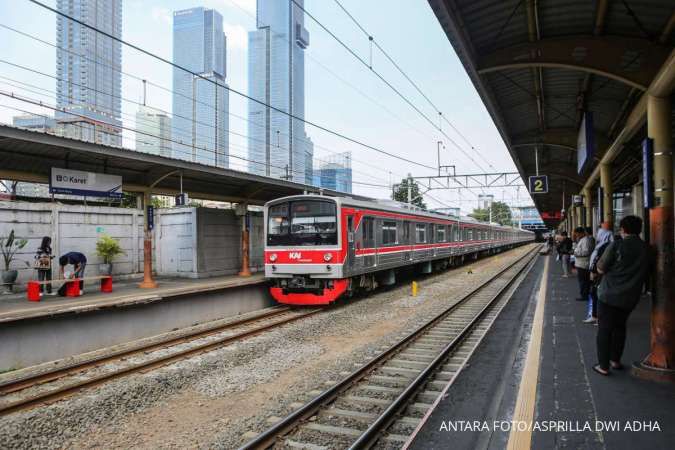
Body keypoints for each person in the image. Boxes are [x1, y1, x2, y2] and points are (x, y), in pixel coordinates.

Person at [593, 215, 650, 376]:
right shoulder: (646, 248)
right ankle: (615, 361)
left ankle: (603, 366)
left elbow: (601, 268)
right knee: (620, 327)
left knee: (604, 330)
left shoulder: (617, 245)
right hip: (630, 297)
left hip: (609, 295)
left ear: (623, 229)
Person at [585, 226, 613, 323]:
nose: (597, 236)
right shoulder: (602, 245)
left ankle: (598, 317)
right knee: (594, 294)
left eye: (599, 234)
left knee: (597, 295)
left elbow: (600, 261)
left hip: (600, 275)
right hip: (599, 273)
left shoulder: (605, 247)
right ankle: (595, 315)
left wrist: (594, 271)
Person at [573, 227, 594, 302]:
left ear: (581, 233)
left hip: (583, 264)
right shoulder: (583, 239)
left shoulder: (585, 240)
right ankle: (585, 294)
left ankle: (584, 295)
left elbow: (586, 252)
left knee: (583, 281)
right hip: (581, 264)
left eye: (577, 234)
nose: (576, 235)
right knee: (584, 281)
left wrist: (576, 253)